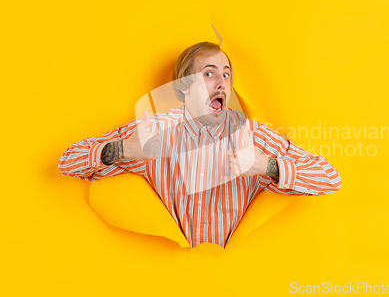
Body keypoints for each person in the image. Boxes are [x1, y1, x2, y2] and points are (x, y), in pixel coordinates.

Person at [58, 41, 342, 248]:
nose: (222, 83)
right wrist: (121, 151)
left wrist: (266, 166)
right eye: (209, 73)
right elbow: (68, 161)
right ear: (184, 86)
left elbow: (330, 178)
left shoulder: (253, 136)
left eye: (226, 74)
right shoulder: (156, 131)